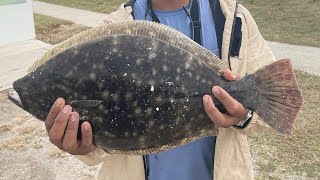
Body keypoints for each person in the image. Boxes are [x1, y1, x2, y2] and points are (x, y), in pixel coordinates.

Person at [44, 0, 276, 179]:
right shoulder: (112, 30)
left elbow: (275, 104)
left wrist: (243, 116)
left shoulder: (233, 20)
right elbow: (98, 144)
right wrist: (81, 145)